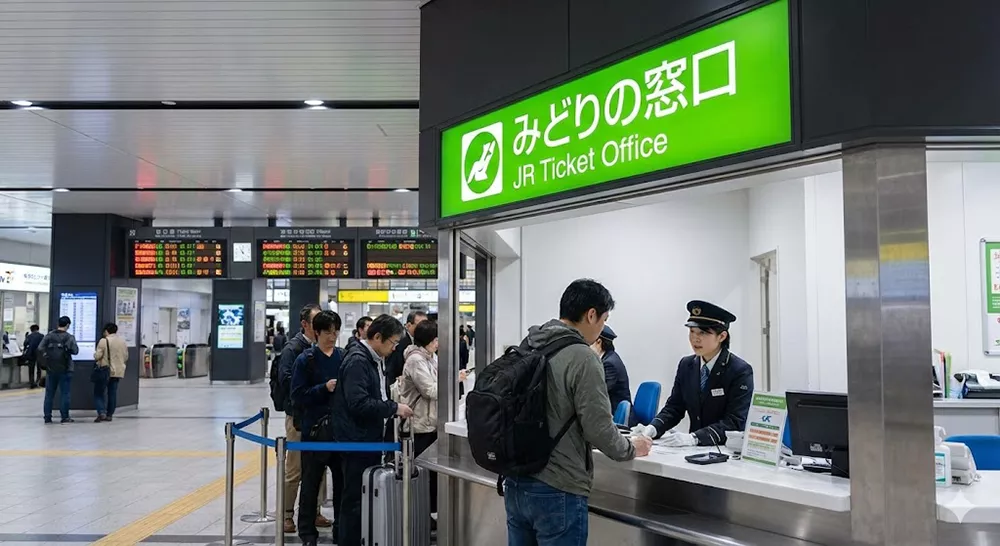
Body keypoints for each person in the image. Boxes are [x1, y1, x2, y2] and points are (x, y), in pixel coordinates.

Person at [506, 279, 651, 546]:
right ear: (591, 314)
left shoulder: (529, 344)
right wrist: (631, 448)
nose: (603, 328)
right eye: (604, 319)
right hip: (558, 487)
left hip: (516, 482)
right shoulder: (583, 357)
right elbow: (598, 428)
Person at [332, 314, 413, 546]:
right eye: (393, 343)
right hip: (356, 439)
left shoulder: (374, 358)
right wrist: (394, 408)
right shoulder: (358, 361)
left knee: (361, 496)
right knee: (354, 499)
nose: (394, 348)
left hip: (367, 437)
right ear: (377, 337)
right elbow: (358, 403)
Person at [639, 300, 754, 447]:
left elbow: (734, 422)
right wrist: (652, 429)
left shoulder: (739, 370)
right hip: (692, 451)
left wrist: (694, 438)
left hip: (723, 450)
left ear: (722, 336)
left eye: (703, 333)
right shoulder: (686, 365)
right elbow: (674, 407)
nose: (695, 339)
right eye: (692, 331)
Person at [291, 310, 345, 546]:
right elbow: (297, 396)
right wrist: (323, 388)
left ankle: (341, 529)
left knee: (342, 484)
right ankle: (307, 533)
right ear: (316, 332)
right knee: (310, 484)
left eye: (335, 332)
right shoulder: (306, 360)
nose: (332, 337)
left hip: (340, 431)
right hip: (313, 431)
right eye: (327, 333)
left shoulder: (343, 357)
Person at [278, 303, 331, 534]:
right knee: (295, 469)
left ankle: (314, 510)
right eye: (317, 321)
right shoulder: (293, 349)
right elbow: (287, 382)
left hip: (320, 417)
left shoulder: (324, 348)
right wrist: (318, 387)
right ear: (305, 325)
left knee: (319, 466)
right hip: (299, 417)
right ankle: (286, 514)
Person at [398, 319, 441, 517]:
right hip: (418, 425)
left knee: (432, 475)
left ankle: (428, 514)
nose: (439, 342)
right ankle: (419, 515)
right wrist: (452, 381)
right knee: (421, 474)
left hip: (430, 423)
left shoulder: (431, 357)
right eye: (436, 339)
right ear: (428, 340)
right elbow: (430, 390)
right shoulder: (416, 360)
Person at [41, 316, 79, 424]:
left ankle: (47, 417)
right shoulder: (69, 337)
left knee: (49, 394)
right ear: (67, 325)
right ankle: (65, 417)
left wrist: (47, 356)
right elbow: (75, 351)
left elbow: (40, 348)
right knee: (65, 393)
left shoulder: (49, 336)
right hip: (66, 369)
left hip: (51, 369)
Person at [590, 325, 632, 417]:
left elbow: (598, 392)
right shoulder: (608, 358)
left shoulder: (610, 364)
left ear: (598, 342)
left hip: (617, 417)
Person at [384, 311, 427, 400]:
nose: (424, 329)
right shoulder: (399, 341)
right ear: (408, 325)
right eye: (420, 325)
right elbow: (391, 368)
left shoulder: (423, 342)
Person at [92, 323, 128, 422]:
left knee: (98, 393)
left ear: (106, 331)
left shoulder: (104, 341)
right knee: (112, 393)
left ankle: (101, 412)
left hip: (105, 370)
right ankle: (109, 415)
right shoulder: (122, 341)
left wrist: (95, 355)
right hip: (117, 371)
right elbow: (125, 356)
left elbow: (97, 356)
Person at [22, 325, 44, 389]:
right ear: (38, 329)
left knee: (31, 369)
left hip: (31, 354)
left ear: (31, 330)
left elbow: (25, 344)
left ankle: (32, 383)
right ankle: (38, 382)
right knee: (39, 369)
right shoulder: (42, 336)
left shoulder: (29, 336)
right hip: (39, 354)